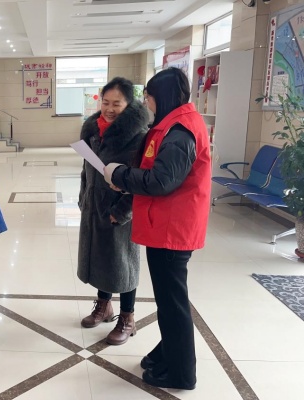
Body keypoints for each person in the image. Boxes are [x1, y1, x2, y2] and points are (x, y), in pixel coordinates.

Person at [104, 67, 211, 390]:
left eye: (148, 97)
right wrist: (127, 180)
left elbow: (162, 181)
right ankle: (168, 355)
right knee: (168, 302)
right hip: (165, 225)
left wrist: (120, 174)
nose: (146, 103)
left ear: (161, 97)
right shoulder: (174, 124)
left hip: (173, 230)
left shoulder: (181, 131)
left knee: (173, 304)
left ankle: (181, 374)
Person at [77, 77, 149, 346]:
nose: (109, 109)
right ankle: (104, 306)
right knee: (101, 257)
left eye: (116, 104)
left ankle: (127, 318)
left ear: (129, 104)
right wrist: (84, 198)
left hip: (119, 211)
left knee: (124, 264)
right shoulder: (94, 131)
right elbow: (87, 170)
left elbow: (141, 180)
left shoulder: (138, 137)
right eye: (105, 102)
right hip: (94, 206)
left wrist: (121, 211)